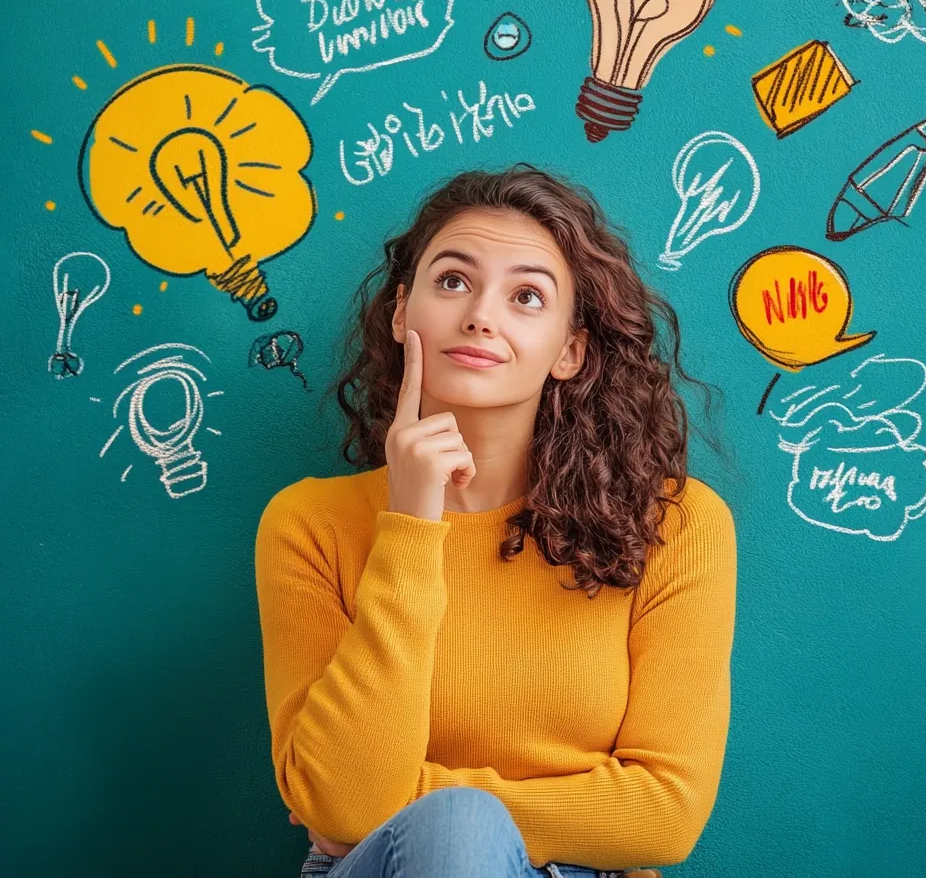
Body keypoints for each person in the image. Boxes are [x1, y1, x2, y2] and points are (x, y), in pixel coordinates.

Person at [254, 166, 737, 877]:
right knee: (455, 835)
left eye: (527, 296)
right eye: (453, 281)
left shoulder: (676, 524)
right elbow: (346, 810)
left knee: (461, 823)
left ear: (569, 351)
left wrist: (415, 796)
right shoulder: (309, 524)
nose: (482, 314)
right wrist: (412, 528)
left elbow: (665, 814)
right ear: (399, 311)